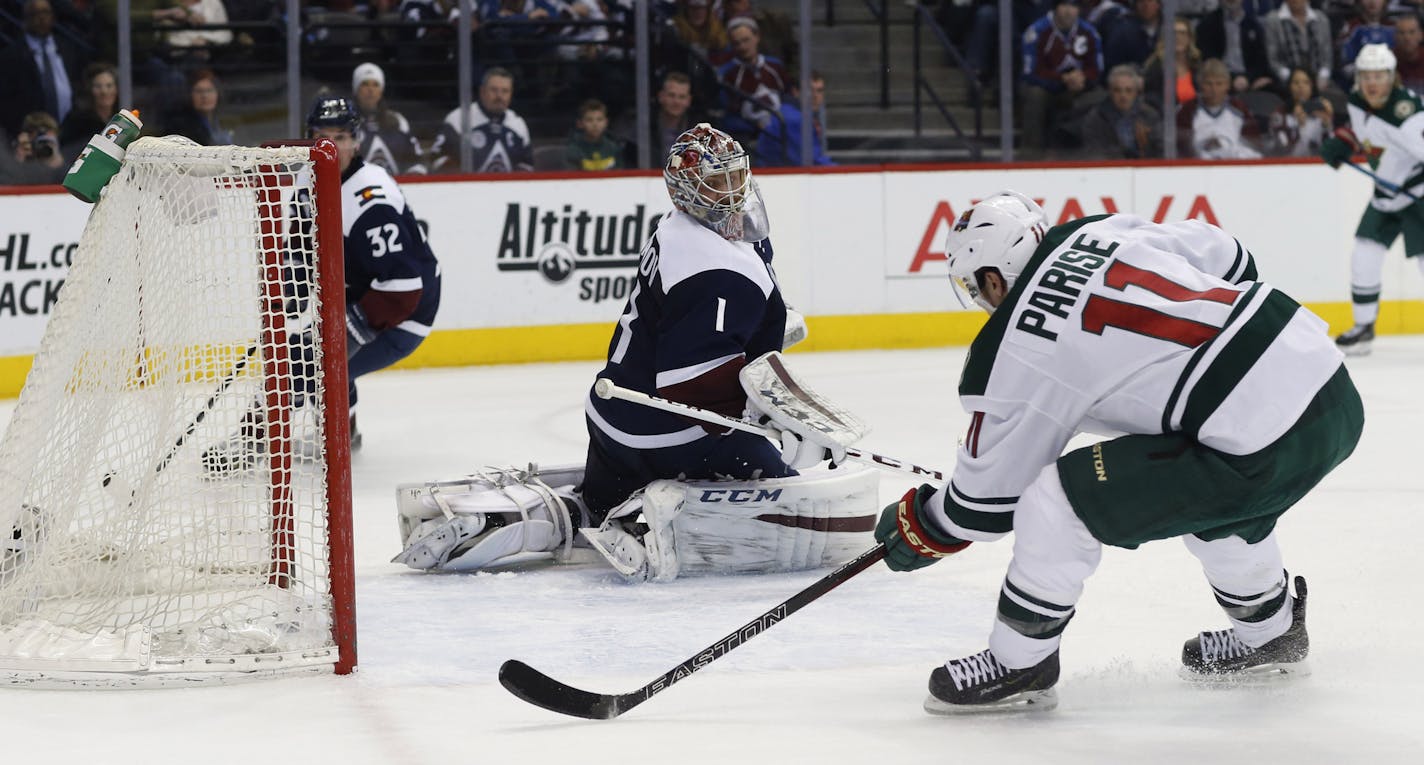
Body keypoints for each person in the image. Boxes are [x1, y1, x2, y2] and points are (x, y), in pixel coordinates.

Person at [872, 190, 1363, 713]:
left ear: (994, 278)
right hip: (1327, 382)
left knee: (1056, 501)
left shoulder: (1012, 349)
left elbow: (982, 506)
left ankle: (1021, 662)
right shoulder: (1093, 231)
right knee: (1210, 490)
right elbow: (1228, 253)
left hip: (1257, 439)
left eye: (978, 288)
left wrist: (923, 522)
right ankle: (1272, 634)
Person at [392, 123, 874, 580]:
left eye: (735, 175)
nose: (732, 190)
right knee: (784, 488)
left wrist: (757, 334)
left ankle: (526, 518)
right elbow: (691, 383)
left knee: (589, 507)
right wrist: (777, 424)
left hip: (611, 421)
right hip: (668, 430)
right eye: (716, 182)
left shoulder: (678, 230)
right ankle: (648, 518)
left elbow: (684, 325)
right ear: (687, 191)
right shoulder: (719, 271)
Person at [202, 97, 441, 471]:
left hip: (404, 313)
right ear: (307, 139)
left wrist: (349, 329)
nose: (330, 146)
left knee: (308, 361)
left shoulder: (370, 199)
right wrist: (291, 294)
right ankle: (344, 432)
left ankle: (254, 439)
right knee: (314, 352)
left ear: (357, 141)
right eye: (321, 137)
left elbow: (402, 289)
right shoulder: (309, 177)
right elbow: (300, 243)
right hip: (364, 297)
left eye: (341, 136)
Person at [1319, 43, 1424, 355]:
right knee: (1364, 255)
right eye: (1367, 76)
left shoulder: (1409, 117)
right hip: (1386, 195)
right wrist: (1343, 141)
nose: (1372, 83)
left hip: (1418, 196)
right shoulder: (1356, 102)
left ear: (1392, 78)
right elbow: (1363, 131)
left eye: (1379, 76)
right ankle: (1364, 326)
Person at [1020, 0, 1104, 156]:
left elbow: (1096, 69)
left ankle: (1092, 152)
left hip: (1076, 88)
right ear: (1055, 7)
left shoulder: (1089, 32)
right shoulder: (1037, 31)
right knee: (1035, 94)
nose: (1068, 11)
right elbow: (1031, 72)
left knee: (1101, 96)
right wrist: (1062, 78)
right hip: (1046, 88)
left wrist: (1082, 78)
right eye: (1064, 5)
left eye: (1073, 6)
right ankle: (1030, 153)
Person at [0, 0, 83, 138]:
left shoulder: (68, 48)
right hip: (30, 133)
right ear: (25, 19)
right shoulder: (10, 56)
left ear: (53, 16)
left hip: (70, 131)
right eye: (35, 13)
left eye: (45, 12)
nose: (41, 18)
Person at [429, 67, 535, 173]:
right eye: (494, 90)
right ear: (482, 91)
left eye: (505, 91)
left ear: (511, 94)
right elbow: (437, 160)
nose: (499, 96)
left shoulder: (518, 124)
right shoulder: (458, 119)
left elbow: (527, 164)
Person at [1177, 58, 1264, 159]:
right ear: (1200, 84)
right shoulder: (1187, 111)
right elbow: (1181, 149)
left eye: (1219, 84)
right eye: (1208, 84)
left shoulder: (1239, 110)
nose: (1214, 89)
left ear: (1227, 85)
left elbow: (1253, 146)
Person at [351, 62, 427, 175]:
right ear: (356, 89)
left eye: (375, 84)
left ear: (381, 91)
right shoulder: (346, 123)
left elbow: (417, 161)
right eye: (365, 84)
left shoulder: (397, 121)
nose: (370, 90)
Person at [1079, 63, 1162, 158]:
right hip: (1111, 170)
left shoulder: (1149, 115)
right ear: (1110, 92)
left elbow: (1161, 149)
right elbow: (1094, 153)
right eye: (1117, 90)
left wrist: (1145, 148)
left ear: (1136, 92)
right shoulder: (1096, 118)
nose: (1123, 96)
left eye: (1128, 90)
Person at [1196, 0, 1274, 94]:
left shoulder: (1254, 25)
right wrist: (1231, 78)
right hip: (1219, 77)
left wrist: (1248, 78)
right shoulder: (1207, 24)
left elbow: (1261, 61)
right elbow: (1208, 58)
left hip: (1249, 78)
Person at [59, 62, 120, 156]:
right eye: (98, 86)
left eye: (109, 86)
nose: (104, 91)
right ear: (89, 89)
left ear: (116, 89)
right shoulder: (76, 120)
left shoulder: (121, 119)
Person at [1268, 67, 1333, 156]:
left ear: (1312, 86)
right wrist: (1298, 126)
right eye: (1296, 83)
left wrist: (1327, 125)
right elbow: (1281, 151)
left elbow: (1330, 150)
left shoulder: (1320, 111)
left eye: (1306, 82)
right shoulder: (1280, 114)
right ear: (1289, 86)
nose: (1301, 86)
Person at [160, 68, 233, 145]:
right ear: (190, 95)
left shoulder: (217, 120)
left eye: (209, 90)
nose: (204, 96)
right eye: (199, 91)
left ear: (218, 94)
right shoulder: (180, 125)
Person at [0, 110, 67, 185]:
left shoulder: (67, 158)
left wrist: (56, 161)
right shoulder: (11, 158)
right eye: (38, 138)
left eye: (46, 139)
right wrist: (19, 157)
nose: (42, 144)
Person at [563, 98, 625, 170]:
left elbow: (620, 175)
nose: (595, 124)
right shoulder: (573, 150)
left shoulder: (614, 148)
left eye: (599, 119)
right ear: (580, 124)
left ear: (606, 122)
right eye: (589, 120)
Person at [1392, 12, 1424, 92]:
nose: (1407, 38)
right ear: (1395, 36)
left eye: (1412, 32)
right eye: (1402, 33)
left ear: (1421, 35)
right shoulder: (1389, 60)